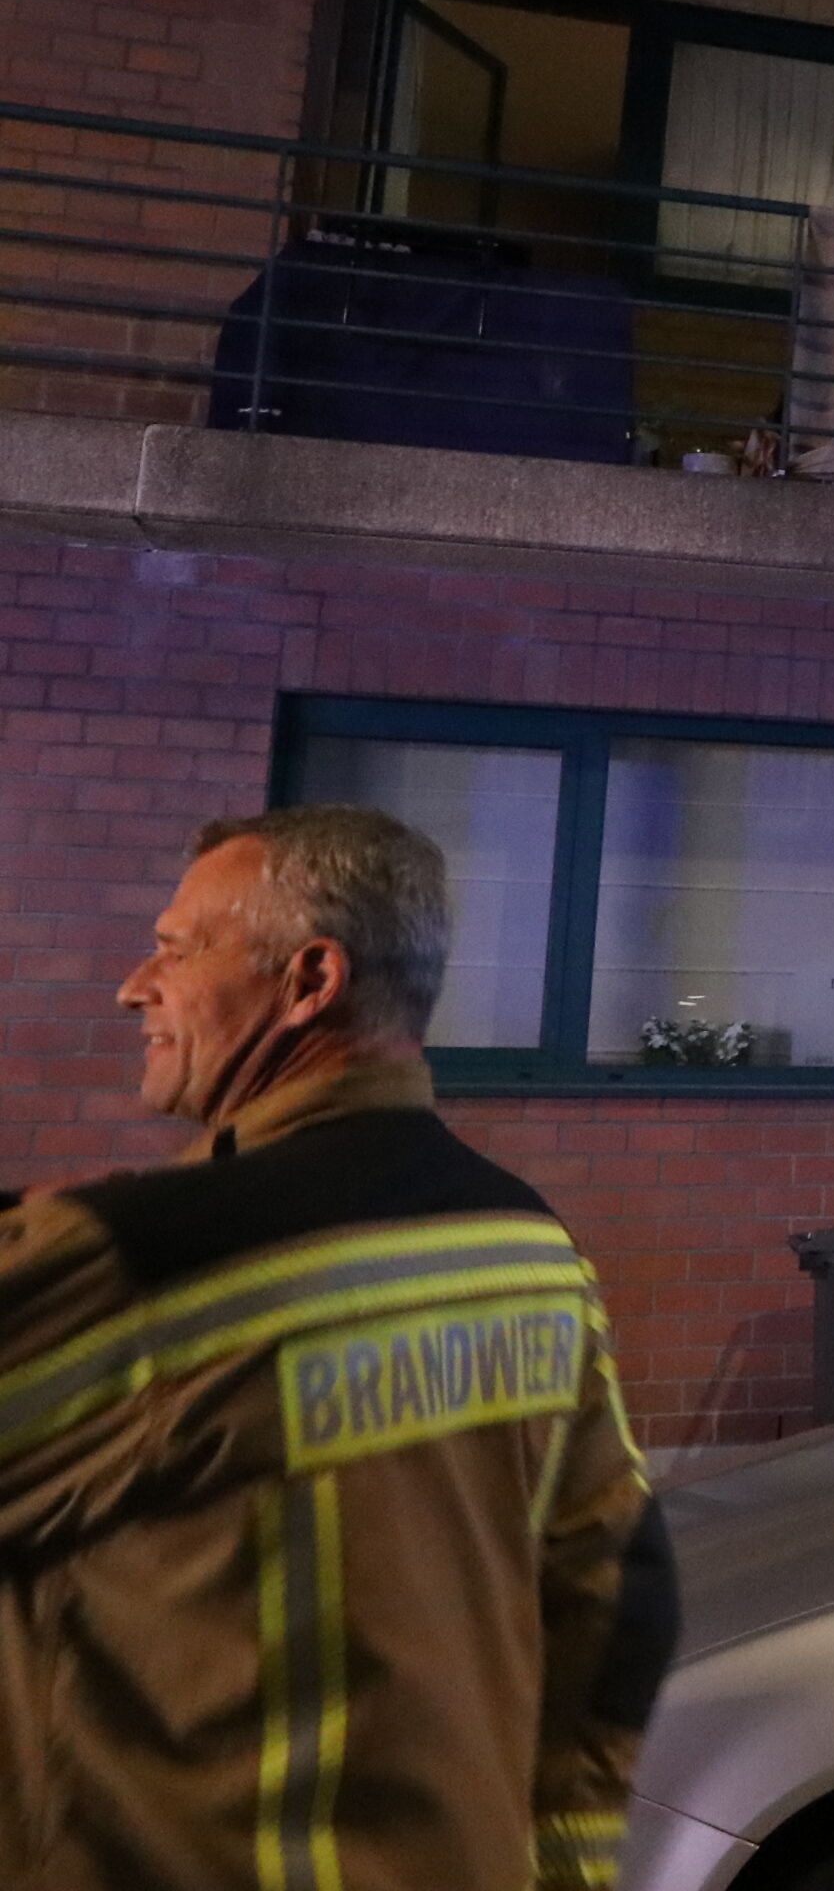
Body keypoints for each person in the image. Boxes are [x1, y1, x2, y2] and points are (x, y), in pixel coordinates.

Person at [0, 808, 675, 1891]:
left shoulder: (144, 1265)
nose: (135, 986)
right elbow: (618, 1591)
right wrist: (564, 1866)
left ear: (310, 979)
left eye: (178, 949)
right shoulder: (529, 1246)